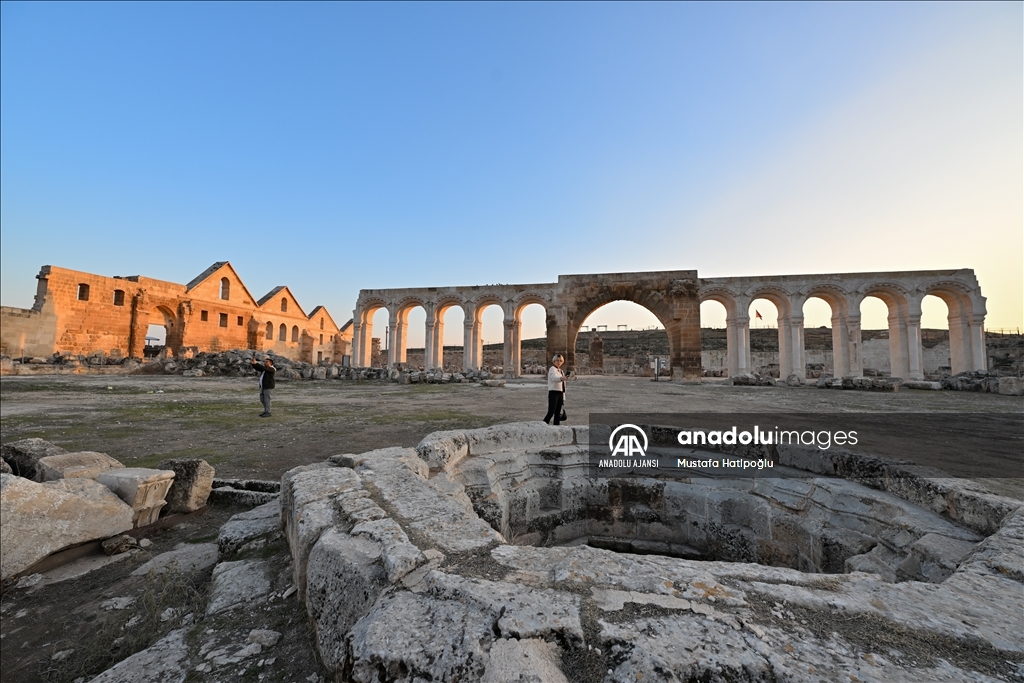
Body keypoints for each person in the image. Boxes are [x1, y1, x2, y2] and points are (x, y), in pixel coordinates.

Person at [543, 353, 568, 425]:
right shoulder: (552, 369)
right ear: (554, 361)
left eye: (560, 361)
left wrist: (563, 396)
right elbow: (554, 378)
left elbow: (563, 385)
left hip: (560, 393)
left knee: (557, 413)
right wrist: (561, 378)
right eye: (557, 360)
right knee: (551, 412)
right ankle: (543, 425)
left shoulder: (561, 371)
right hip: (553, 392)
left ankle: (557, 427)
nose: (559, 362)